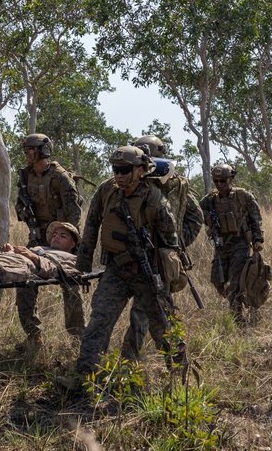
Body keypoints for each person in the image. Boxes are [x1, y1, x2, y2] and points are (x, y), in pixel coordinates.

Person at [60, 145, 181, 390]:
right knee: (99, 320)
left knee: (162, 326)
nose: (119, 174)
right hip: (117, 268)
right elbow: (92, 225)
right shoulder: (106, 191)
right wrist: (82, 266)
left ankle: (180, 377)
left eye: (124, 170)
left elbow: (170, 239)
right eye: (115, 169)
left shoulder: (154, 199)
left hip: (148, 272)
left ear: (140, 170)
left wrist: (163, 274)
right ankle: (85, 378)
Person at [125, 135, 203, 358]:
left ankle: (133, 363)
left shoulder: (175, 184)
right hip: (141, 255)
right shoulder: (134, 181)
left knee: (148, 312)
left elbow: (195, 216)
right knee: (158, 311)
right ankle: (175, 362)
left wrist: (175, 243)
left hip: (160, 258)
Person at [14, 133, 84, 349]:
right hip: (37, 237)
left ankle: (77, 339)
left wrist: (65, 241)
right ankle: (34, 336)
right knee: (23, 278)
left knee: (70, 283)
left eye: (30, 149)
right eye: (25, 150)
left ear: (42, 151)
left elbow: (74, 214)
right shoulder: (25, 176)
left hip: (61, 238)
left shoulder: (61, 178)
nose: (26, 153)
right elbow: (19, 205)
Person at [198, 164, 264, 324]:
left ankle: (237, 319)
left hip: (240, 243)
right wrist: (207, 217)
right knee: (217, 280)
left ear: (231, 179)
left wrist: (258, 239)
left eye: (223, 180)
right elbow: (196, 210)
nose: (219, 184)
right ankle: (239, 298)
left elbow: (256, 218)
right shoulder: (211, 199)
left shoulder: (243, 196)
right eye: (216, 181)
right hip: (221, 245)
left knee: (235, 282)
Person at [0, 221, 80, 285]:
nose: (56, 237)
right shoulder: (42, 248)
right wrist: (11, 249)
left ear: (72, 244)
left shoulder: (72, 259)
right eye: (55, 234)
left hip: (20, 264)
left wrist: (34, 258)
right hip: (7, 257)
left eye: (63, 236)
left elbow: (60, 272)